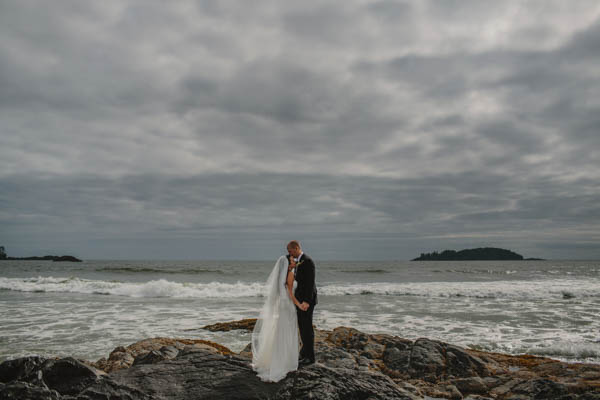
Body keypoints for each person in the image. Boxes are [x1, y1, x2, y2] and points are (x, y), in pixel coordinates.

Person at [251, 253, 300, 382]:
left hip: (285, 305)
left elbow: (285, 290)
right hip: (288, 306)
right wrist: (297, 304)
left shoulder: (286, 275)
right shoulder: (289, 274)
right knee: (286, 332)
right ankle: (285, 362)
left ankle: (281, 360)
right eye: (292, 260)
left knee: (282, 331)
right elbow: (289, 292)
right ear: (288, 263)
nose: (294, 261)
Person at [287, 240, 318, 365]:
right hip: (300, 301)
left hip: (306, 302)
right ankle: (304, 353)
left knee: (307, 329)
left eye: (290, 251)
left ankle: (310, 357)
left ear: (296, 248)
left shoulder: (307, 261)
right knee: (302, 327)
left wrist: (306, 301)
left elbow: (310, 284)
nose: (289, 254)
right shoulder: (298, 262)